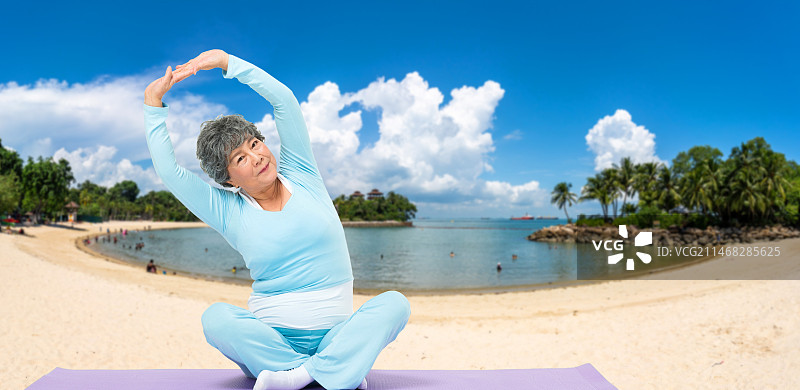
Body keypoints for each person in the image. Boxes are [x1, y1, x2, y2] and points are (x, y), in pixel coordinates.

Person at [144, 49, 410, 390]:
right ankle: (333, 372)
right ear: (227, 180)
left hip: (335, 336)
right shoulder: (227, 210)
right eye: (240, 157)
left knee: (395, 305)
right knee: (215, 319)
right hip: (271, 344)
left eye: (255, 144)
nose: (257, 157)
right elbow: (171, 173)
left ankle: (300, 376)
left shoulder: (302, 173)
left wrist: (227, 62)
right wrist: (153, 102)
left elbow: (284, 101)